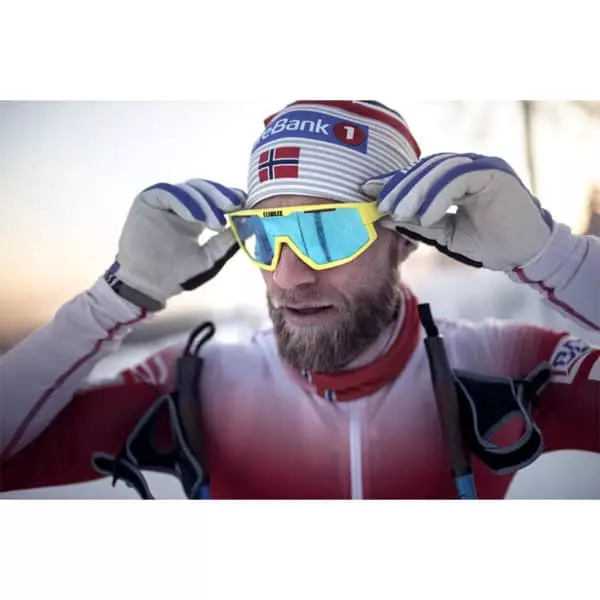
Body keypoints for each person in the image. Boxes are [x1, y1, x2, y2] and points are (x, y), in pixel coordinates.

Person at [1, 100, 599, 499]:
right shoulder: (195, 384)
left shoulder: (505, 366)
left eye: (327, 231)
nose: (288, 276)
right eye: (263, 236)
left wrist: (555, 258)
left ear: (404, 238)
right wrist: (116, 299)